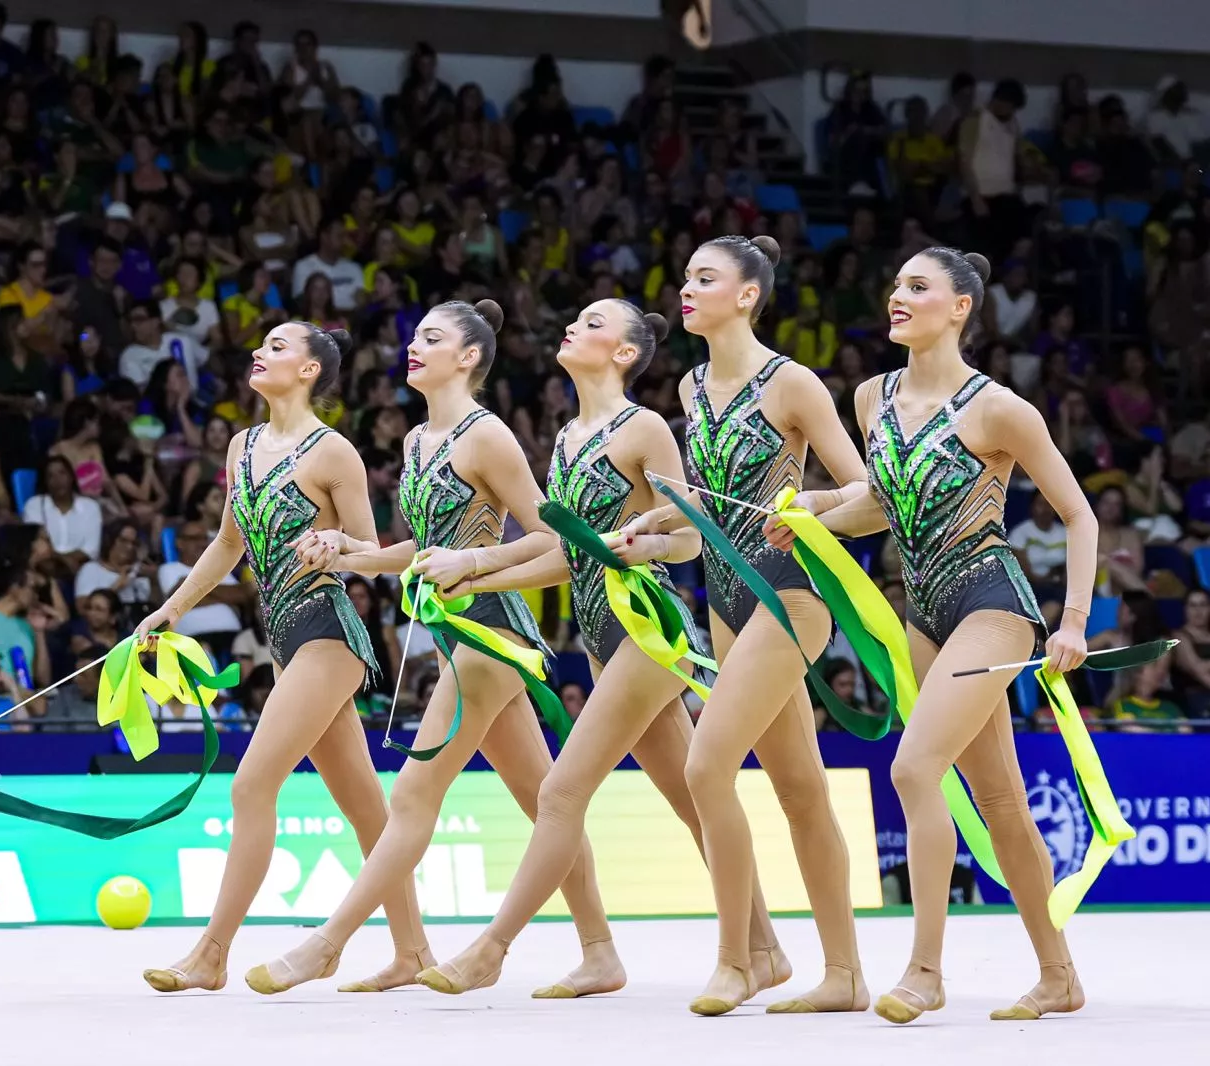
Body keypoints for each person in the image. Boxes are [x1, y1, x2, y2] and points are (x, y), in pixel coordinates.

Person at [416, 298, 785, 996]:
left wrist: (648, 540)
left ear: (623, 352)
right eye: (574, 317)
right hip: (598, 634)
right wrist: (476, 571)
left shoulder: (643, 428)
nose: (572, 326)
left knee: (559, 792)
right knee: (688, 799)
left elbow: (690, 536)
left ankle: (493, 948)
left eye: (590, 323)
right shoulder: (567, 437)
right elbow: (570, 557)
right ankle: (759, 948)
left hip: (648, 628)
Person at [766, 247, 1095, 1024]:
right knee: (1002, 801)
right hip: (922, 611)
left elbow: (1078, 514)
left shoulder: (1000, 409)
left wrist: (1074, 619)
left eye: (919, 287)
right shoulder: (873, 397)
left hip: (991, 602)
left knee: (916, 769)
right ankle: (1059, 976)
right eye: (896, 283)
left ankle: (924, 971)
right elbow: (880, 503)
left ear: (960, 309)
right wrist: (809, 516)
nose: (897, 295)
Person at [252, 300, 619, 996]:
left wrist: (473, 564)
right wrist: (349, 553)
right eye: (412, 335)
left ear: (470, 357)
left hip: (495, 629)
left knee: (416, 791)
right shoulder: (418, 439)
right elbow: (422, 552)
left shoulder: (488, 437)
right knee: (543, 799)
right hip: (459, 634)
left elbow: (553, 539)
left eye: (431, 338)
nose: (412, 347)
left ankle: (327, 944)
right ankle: (599, 951)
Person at [615, 235, 870, 1014]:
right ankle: (846, 974)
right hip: (725, 595)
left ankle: (738, 960)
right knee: (798, 788)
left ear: (748, 295)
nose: (684, 289)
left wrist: (810, 506)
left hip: (791, 595)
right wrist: (654, 526)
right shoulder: (692, 387)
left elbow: (867, 492)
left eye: (704, 278)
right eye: (684, 275)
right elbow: (709, 505)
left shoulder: (791, 384)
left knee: (705, 766)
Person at [133, 322, 428, 993]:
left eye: (276, 347)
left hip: (328, 633)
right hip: (283, 644)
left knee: (249, 786)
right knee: (367, 812)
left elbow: (372, 550)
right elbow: (227, 544)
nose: (260, 354)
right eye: (260, 346)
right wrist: (171, 607)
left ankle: (211, 953)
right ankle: (412, 952)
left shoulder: (334, 454)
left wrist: (335, 543)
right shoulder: (242, 447)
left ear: (310, 370)